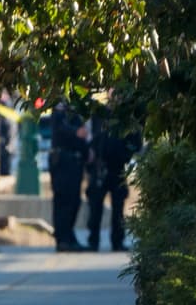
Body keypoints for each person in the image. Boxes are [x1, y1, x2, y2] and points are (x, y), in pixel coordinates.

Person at [85, 108, 142, 251]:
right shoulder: (98, 113)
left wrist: (126, 153)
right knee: (95, 207)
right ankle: (93, 241)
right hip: (99, 167)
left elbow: (136, 142)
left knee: (118, 208)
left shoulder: (126, 115)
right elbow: (89, 136)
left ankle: (117, 241)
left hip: (117, 167)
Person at [48, 101, 88, 251]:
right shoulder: (59, 109)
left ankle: (69, 236)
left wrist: (87, 152)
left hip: (75, 162)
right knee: (63, 201)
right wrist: (75, 132)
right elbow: (61, 127)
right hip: (63, 162)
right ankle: (63, 238)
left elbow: (82, 134)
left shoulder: (77, 109)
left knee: (74, 201)